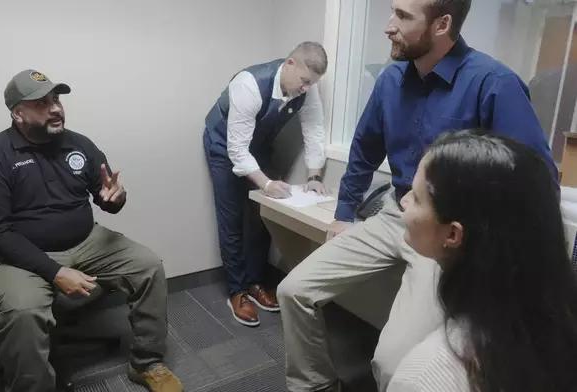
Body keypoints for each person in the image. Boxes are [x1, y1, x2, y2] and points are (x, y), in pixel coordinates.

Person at [276, 0, 558, 391]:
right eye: (393, 11)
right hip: (396, 211)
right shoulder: (391, 82)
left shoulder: (493, 83)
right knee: (293, 291)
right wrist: (343, 214)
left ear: (442, 24)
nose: (388, 26)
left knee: (394, 364)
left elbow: (537, 179)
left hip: (446, 234)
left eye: (403, 16)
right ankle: (317, 384)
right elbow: (364, 149)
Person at [0, 69, 182, 392]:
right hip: (20, 255)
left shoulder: (79, 145)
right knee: (23, 311)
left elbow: (106, 198)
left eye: (56, 99)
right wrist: (55, 272)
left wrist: (116, 199)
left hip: (86, 241)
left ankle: (146, 362)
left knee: (149, 266)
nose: (55, 108)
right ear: (17, 113)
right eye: (41, 103)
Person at [388, 131, 577, 392]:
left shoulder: (423, 377)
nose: (404, 201)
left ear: (453, 234)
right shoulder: (557, 324)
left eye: (417, 198)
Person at [203, 42, 329, 327]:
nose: (307, 88)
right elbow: (236, 150)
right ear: (290, 64)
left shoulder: (306, 90)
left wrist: (313, 177)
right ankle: (237, 291)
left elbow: (314, 130)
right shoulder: (249, 84)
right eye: (305, 81)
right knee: (232, 217)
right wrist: (265, 182)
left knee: (263, 212)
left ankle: (255, 282)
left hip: (257, 146)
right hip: (224, 147)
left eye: (313, 83)